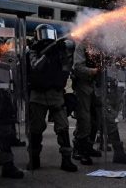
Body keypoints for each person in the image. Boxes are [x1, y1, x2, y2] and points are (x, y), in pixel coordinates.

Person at [72, 36, 126, 165]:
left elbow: (113, 64)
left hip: (100, 86)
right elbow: (78, 68)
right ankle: (82, 151)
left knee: (107, 117)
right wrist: (95, 71)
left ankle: (118, 152)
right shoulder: (82, 46)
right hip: (84, 87)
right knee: (85, 120)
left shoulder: (104, 47)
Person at [27, 24, 77, 172]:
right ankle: (34, 158)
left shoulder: (60, 50)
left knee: (63, 127)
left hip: (56, 94)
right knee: (36, 128)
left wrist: (61, 50)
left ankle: (66, 159)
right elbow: (36, 66)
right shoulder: (33, 50)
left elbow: (67, 67)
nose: (46, 37)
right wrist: (48, 53)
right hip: (38, 95)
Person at [0, 37, 24, 178]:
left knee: (5, 134)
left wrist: (7, 53)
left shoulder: (4, 54)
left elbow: (13, 63)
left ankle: (8, 165)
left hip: (2, 96)